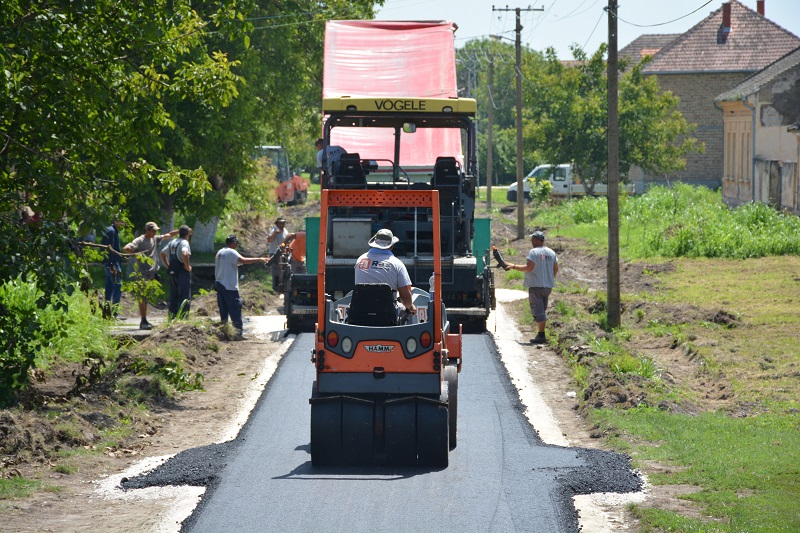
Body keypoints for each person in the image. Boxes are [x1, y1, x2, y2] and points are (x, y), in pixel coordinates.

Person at [504, 231, 559, 344]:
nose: (531, 242)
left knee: (538, 311)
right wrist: (549, 279)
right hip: (547, 287)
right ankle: (541, 333)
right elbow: (555, 269)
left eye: (533, 240)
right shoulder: (551, 252)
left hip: (536, 286)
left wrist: (513, 266)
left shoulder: (534, 252)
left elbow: (529, 268)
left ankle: (541, 335)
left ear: (537, 240)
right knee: (542, 309)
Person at [123, 222, 179, 330]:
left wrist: (179, 231)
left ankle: (145, 320)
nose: (155, 232)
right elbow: (126, 248)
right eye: (153, 230)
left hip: (151, 273)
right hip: (142, 273)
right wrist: (137, 255)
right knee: (142, 297)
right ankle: (143, 321)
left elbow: (168, 235)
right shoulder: (140, 240)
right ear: (147, 230)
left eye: (156, 231)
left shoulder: (154, 239)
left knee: (146, 297)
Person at [214, 235, 270, 336]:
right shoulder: (231, 252)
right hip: (229, 286)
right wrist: (259, 259)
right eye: (236, 243)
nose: (236, 245)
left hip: (219, 283)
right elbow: (243, 260)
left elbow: (235, 263)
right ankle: (237, 333)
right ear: (233, 243)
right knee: (235, 308)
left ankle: (224, 330)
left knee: (223, 309)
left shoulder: (220, 252)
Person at [354, 229, 416, 319]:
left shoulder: (360, 260)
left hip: (360, 315)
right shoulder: (397, 264)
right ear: (391, 246)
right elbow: (406, 298)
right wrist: (410, 307)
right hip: (387, 317)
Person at [160, 225, 193, 319]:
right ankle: (183, 318)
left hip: (173, 272)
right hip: (182, 272)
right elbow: (185, 253)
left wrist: (168, 266)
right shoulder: (184, 242)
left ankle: (172, 317)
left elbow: (162, 254)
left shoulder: (172, 242)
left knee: (173, 296)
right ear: (187, 234)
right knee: (184, 296)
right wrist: (187, 267)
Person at [101, 216, 126, 318]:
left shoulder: (112, 230)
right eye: (122, 221)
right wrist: (112, 264)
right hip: (112, 263)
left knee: (109, 287)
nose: (123, 224)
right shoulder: (111, 232)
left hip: (110, 262)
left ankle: (107, 312)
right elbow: (109, 249)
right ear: (116, 221)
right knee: (118, 286)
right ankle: (114, 313)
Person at [267, 217, 288, 292]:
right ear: (277, 223)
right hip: (275, 253)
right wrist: (275, 233)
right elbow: (269, 240)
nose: (282, 225)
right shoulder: (274, 230)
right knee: (276, 271)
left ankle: (282, 287)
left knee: (284, 270)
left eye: (283, 223)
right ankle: (275, 287)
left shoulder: (285, 230)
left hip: (284, 253)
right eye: (280, 223)